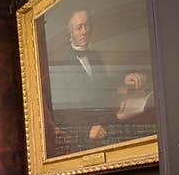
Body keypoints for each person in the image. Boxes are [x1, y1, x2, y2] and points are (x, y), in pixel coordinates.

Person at [46, 9, 154, 155]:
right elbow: (61, 113)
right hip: (87, 134)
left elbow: (100, 84)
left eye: (86, 26)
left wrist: (123, 79)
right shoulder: (64, 65)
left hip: (107, 120)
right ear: (71, 34)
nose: (84, 31)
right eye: (79, 28)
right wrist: (87, 130)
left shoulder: (95, 56)